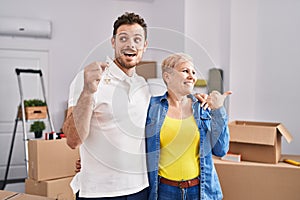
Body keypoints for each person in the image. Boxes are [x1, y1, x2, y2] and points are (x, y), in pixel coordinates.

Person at [63, 12, 151, 199]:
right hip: (99, 192)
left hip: (141, 189)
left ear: (144, 45)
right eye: (123, 38)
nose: (130, 44)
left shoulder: (143, 85)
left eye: (137, 39)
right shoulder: (88, 79)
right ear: (113, 42)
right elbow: (72, 139)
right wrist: (87, 92)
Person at [146, 53, 232, 200]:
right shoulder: (152, 107)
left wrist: (219, 110)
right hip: (164, 191)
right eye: (185, 71)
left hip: (198, 191)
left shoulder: (203, 107)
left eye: (193, 72)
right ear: (168, 77)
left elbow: (221, 150)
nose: (192, 76)